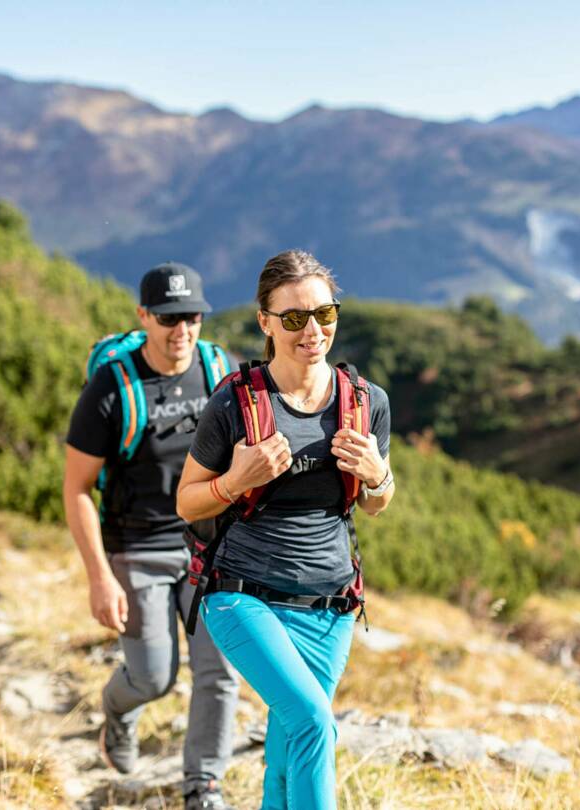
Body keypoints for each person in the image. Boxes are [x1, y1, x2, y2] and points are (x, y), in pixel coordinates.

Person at [177, 250, 395, 810]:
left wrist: (379, 475)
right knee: (316, 723)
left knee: (291, 746)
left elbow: (376, 503)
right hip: (242, 596)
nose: (312, 330)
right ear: (265, 322)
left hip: (331, 607)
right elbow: (187, 501)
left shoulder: (367, 403)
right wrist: (236, 478)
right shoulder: (235, 401)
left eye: (325, 314)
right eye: (294, 318)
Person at [63, 262, 239, 810]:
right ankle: (118, 709)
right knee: (153, 677)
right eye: (167, 317)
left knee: (220, 672)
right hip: (136, 547)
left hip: (208, 545)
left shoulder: (217, 370)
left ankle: (203, 786)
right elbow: (76, 490)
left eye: (190, 316)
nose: (180, 329)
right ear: (143, 317)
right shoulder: (111, 390)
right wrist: (98, 578)